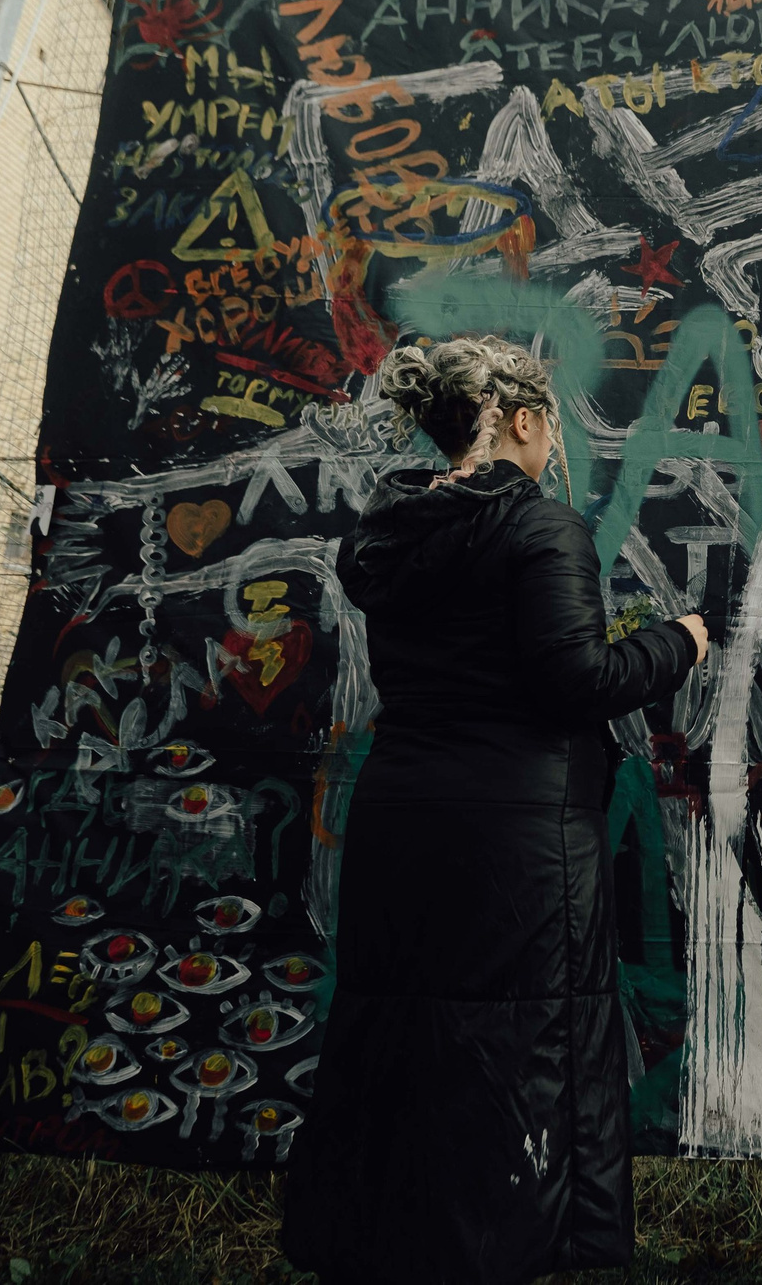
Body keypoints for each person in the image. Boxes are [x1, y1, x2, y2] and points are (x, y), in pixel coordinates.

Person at [282, 336, 709, 1283]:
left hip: (401, 829)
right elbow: (575, 678)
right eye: (548, 418)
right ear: (519, 420)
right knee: (523, 1059)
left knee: (411, 1049)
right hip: (518, 844)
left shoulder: (393, 535)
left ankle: (396, 1251)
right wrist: (680, 644)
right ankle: (513, 1255)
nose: (553, 438)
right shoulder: (540, 526)